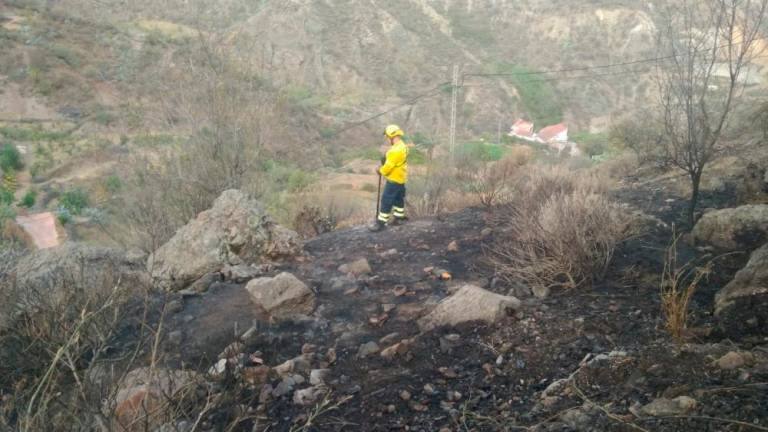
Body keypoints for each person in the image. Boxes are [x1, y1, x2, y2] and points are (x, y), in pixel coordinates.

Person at [369, 124, 408, 232]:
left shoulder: (395, 151)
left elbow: (388, 167)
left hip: (393, 180)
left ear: (391, 136)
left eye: (387, 136)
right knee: (398, 198)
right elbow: (394, 160)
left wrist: (380, 170)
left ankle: (381, 223)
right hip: (401, 178)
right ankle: (399, 217)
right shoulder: (402, 146)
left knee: (386, 200)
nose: (386, 139)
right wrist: (386, 157)